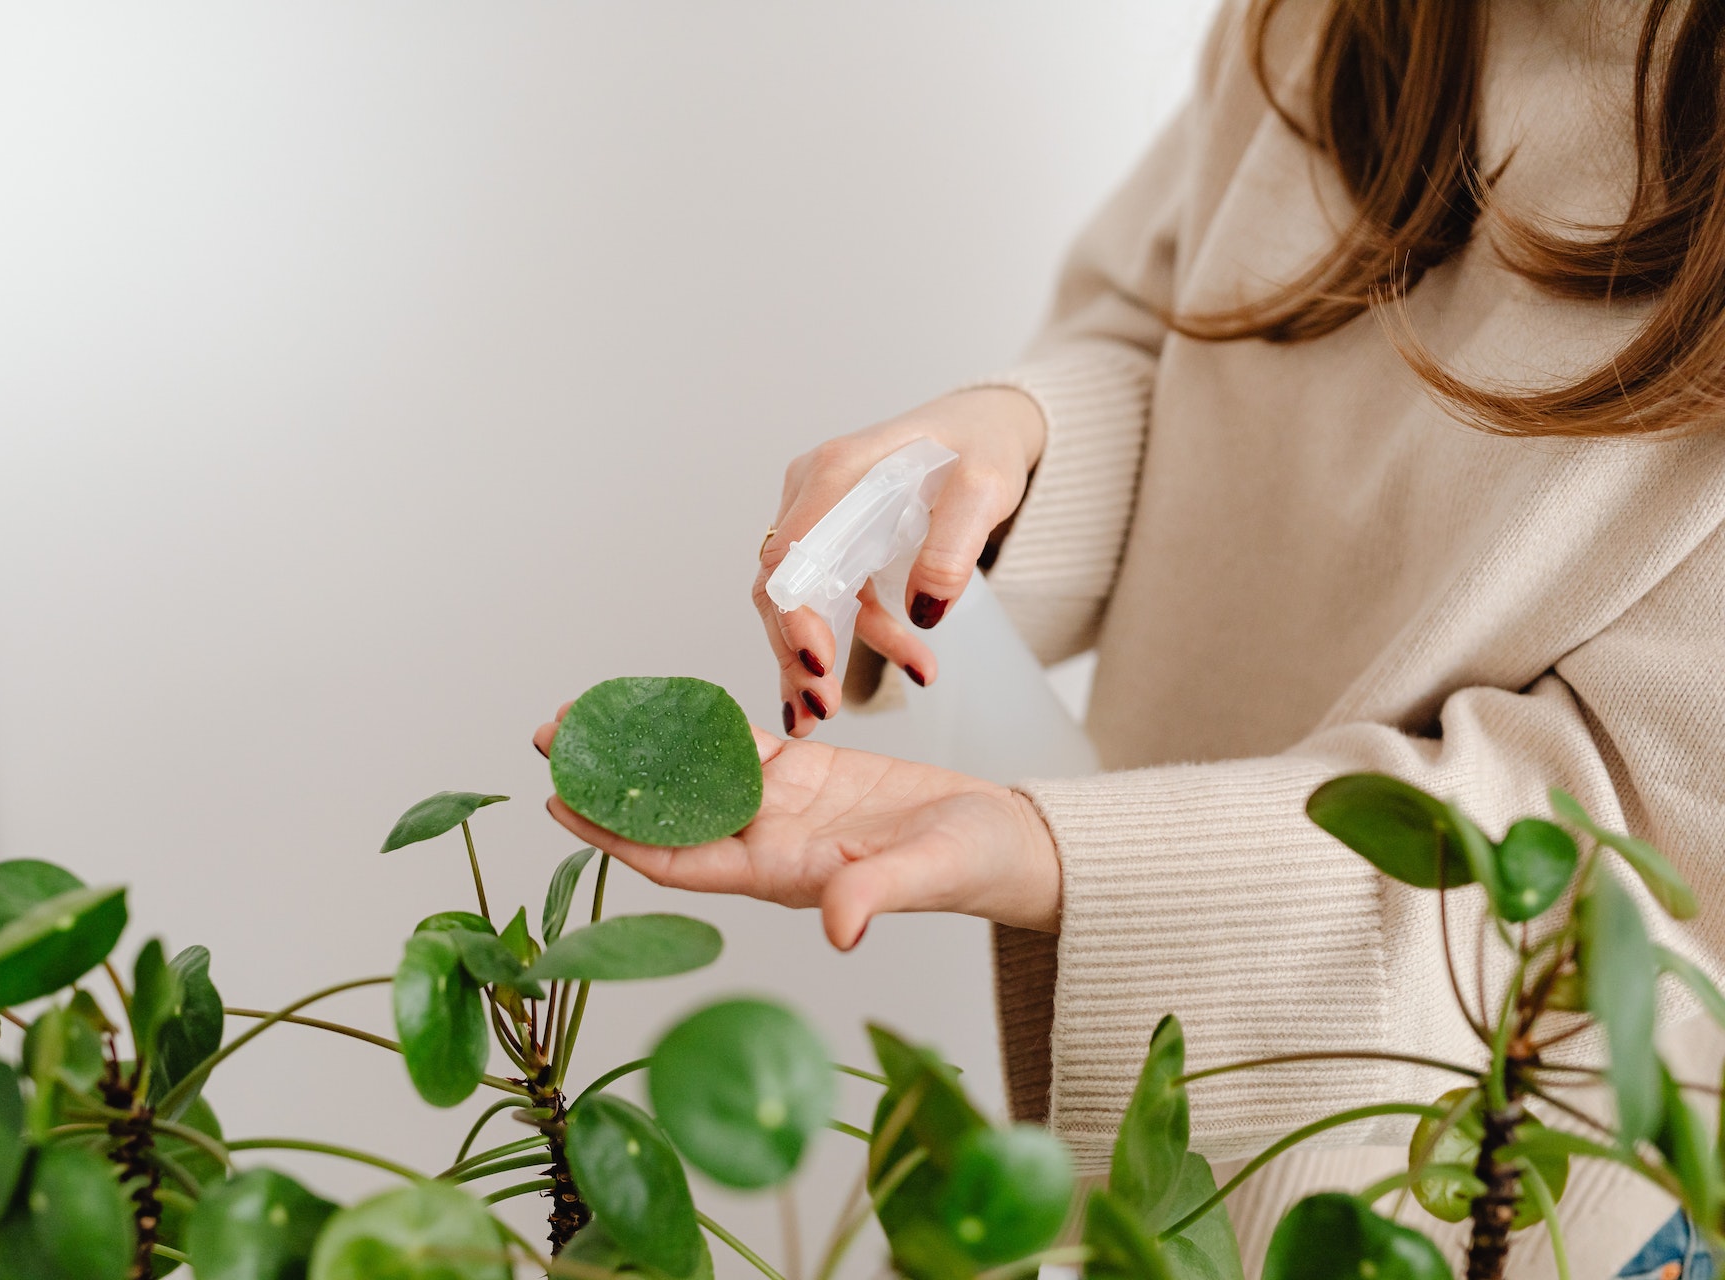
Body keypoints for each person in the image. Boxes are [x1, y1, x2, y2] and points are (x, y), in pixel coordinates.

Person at [538, 0, 1725, 1272]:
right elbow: (1181, 335)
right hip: (1174, 1156)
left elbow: (1624, 854)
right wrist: (999, 461)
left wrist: (1066, 854)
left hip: (1528, 1197)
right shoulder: (1339, 23)